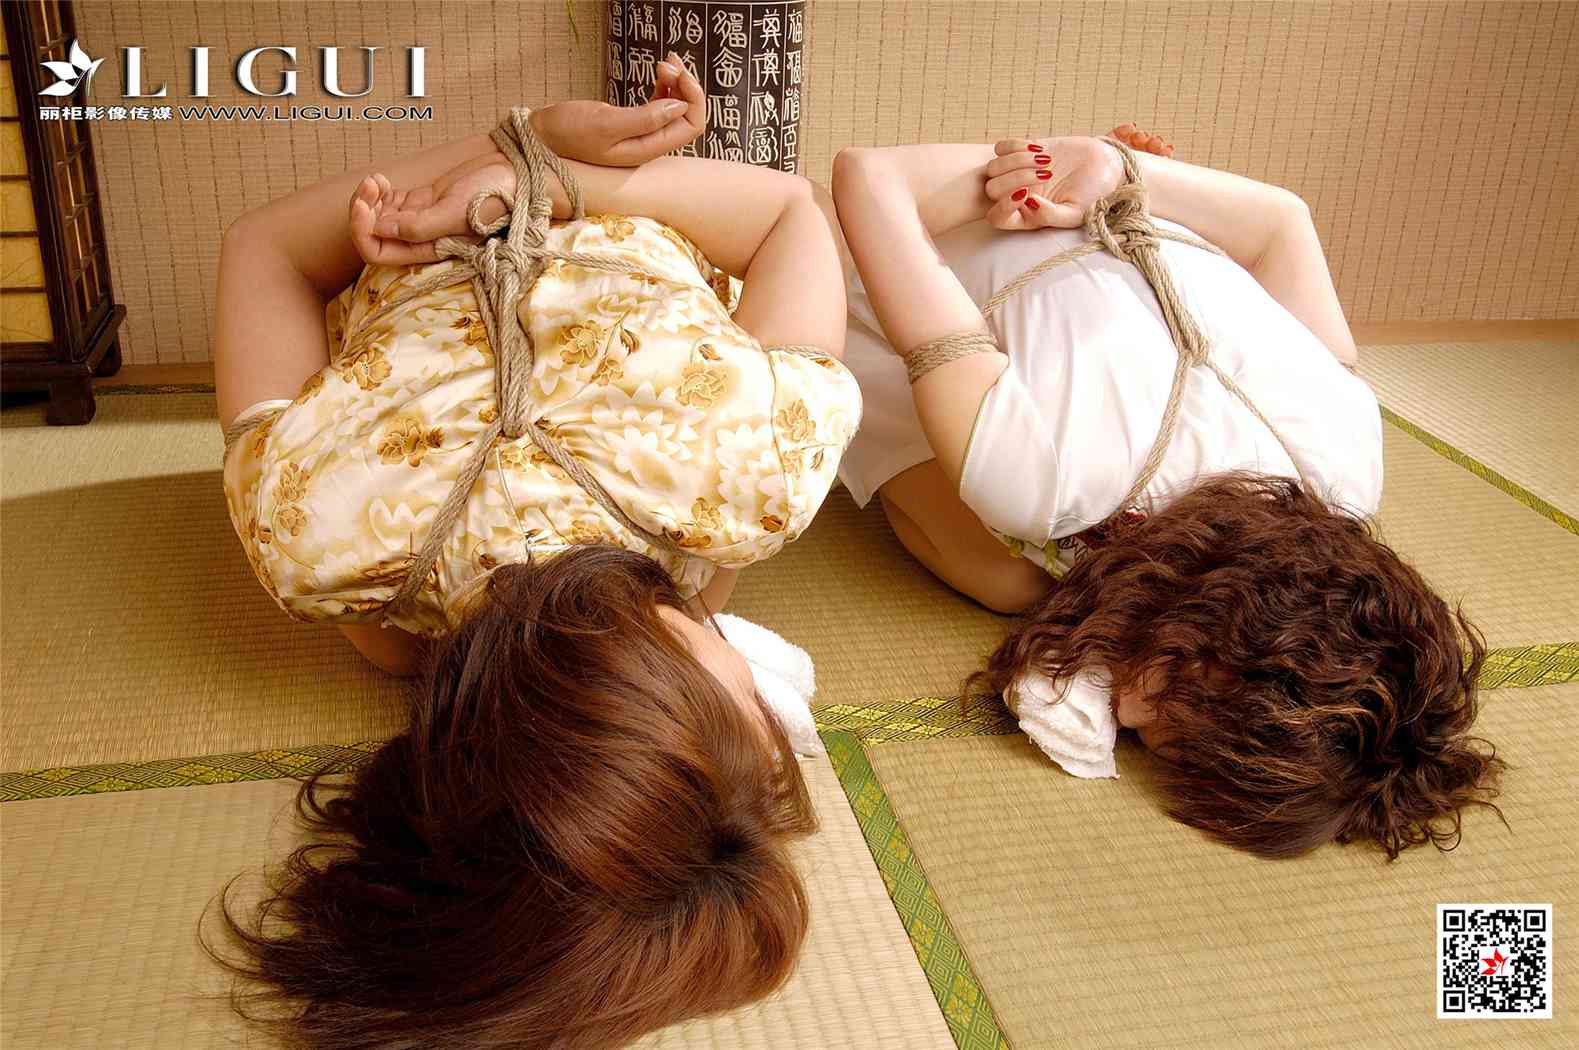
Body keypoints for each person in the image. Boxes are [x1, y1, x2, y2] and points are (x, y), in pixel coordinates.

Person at [208, 58, 859, 1048]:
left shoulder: (749, 472)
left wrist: (539, 164)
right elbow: (263, 249)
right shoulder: (320, 545)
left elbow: (789, 213)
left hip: (624, 218)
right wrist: (516, 168)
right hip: (453, 237)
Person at [830, 123, 1505, 860]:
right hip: (894, 255)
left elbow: (1283, 224)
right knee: (1006, 576)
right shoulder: (1048, 478)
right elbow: (868, 180)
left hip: (1116, 237)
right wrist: (1068, 172)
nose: (1129, 726)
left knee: (1040, 568)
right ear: (1216, 655)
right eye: (1173, 733)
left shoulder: (1345, 470)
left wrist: (1122, 175)